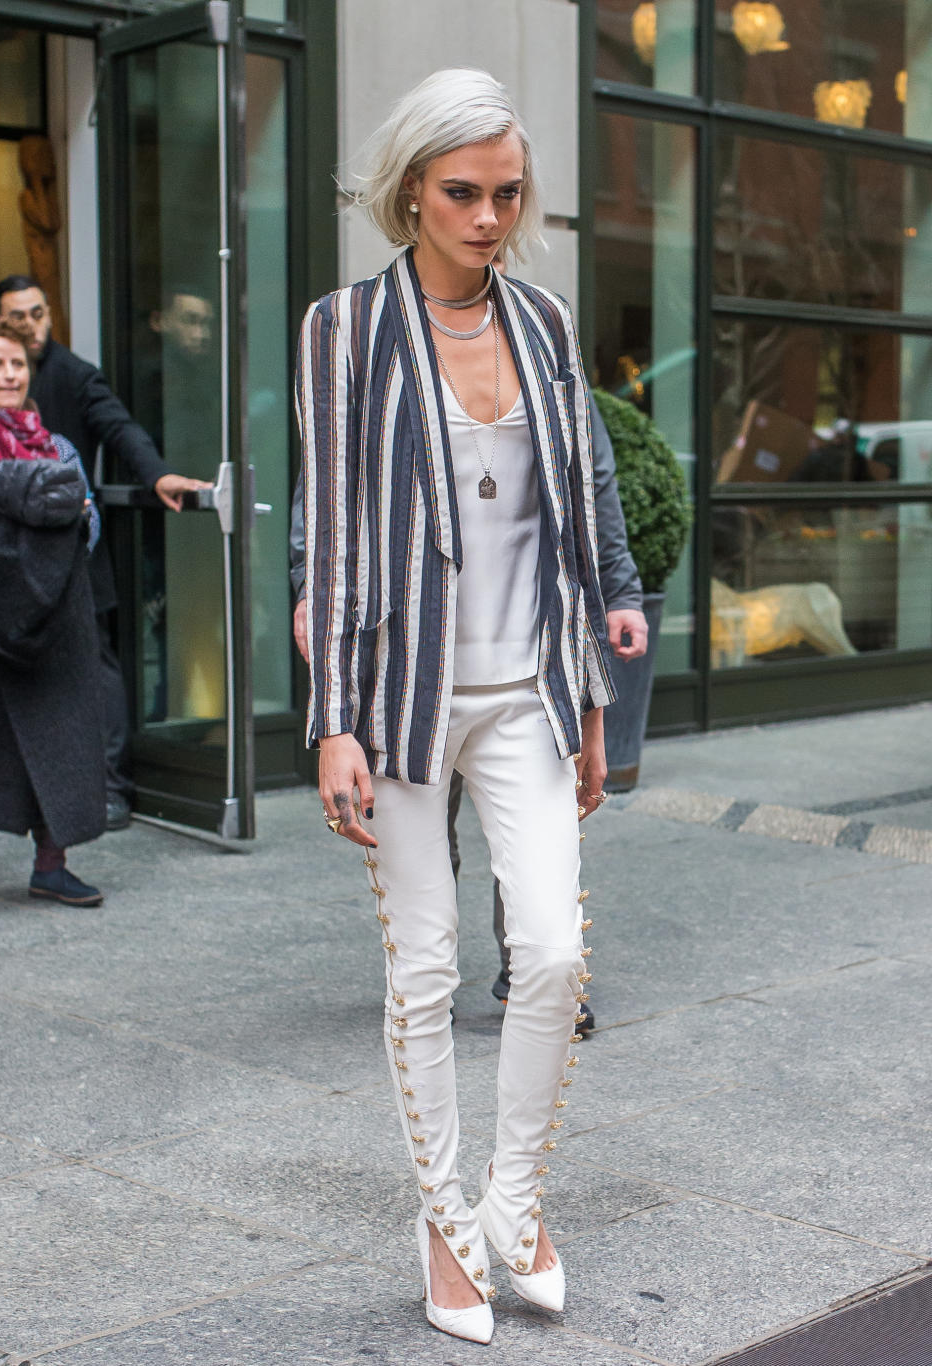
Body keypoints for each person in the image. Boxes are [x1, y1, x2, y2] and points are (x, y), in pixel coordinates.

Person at [296, 69, 617, 1343]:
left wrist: (593, 698)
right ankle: (442, 1218)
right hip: (404, 696)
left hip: (531, 687)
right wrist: (330, 719)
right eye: (463, 192)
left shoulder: (542, 322)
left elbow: (579, 520)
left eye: (508, 192)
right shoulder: (346, 329)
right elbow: (325, 536)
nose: (490, 216)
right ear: (412, 190)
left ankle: (514, 1200)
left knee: (549, 953)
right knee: (425, 966)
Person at [290, 328, 648, 1034]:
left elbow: (590, 484)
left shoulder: (546, 346)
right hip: (410, 648)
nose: (485, 222)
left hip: (526, 646)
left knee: (533, 836)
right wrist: (311, 585)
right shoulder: (377, 338)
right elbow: (328, 485)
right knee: (428, 828)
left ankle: (533, 978)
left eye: (502, 206)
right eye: (466, 205)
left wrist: (622, 592)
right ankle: (428, 975)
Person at [0, 275, 210, 830]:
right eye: (17, 317)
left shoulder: (74, 375)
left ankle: (112, 787)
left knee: (97, 667)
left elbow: (120, 428)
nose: (30, 326)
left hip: (72, 556)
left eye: (38, 313)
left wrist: (157, 475)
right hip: (7, 565)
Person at [0, 320, 105, 905]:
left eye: (18, 365)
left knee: (58, 738)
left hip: (49, 620)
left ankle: (51, 864)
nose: (10, 374)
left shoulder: (59, 446)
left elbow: (89, 522)